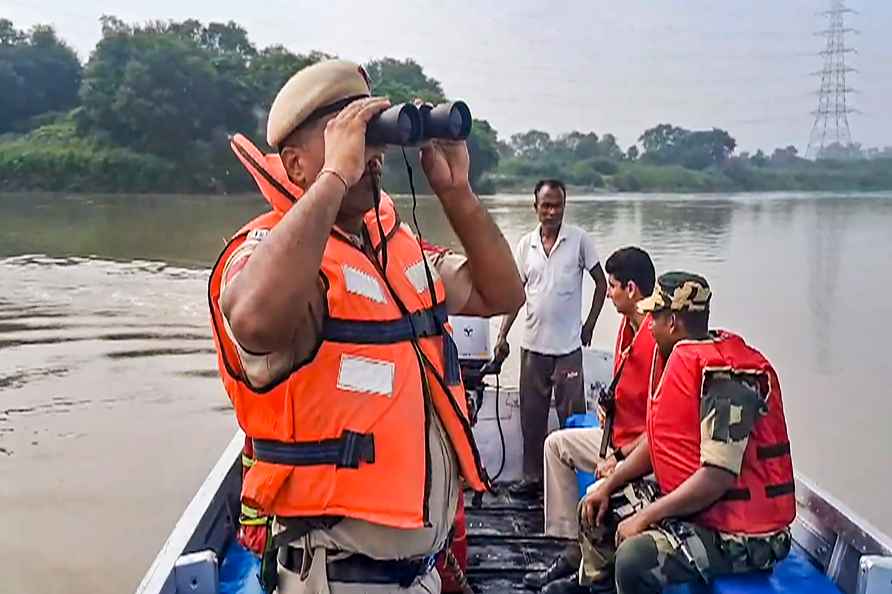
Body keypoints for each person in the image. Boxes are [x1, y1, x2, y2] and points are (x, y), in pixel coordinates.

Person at [208, 59, 525, 594]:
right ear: (295, 163)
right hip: (340, 575)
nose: (369, 156)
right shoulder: (265, 250)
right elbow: (255, 320)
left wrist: (457, 193)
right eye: (347, 135)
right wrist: (336, 176)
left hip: (422, 570)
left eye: (372, 137)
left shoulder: (393, 251)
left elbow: (502, 294)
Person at [568, 272, 795, 594]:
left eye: (654, 318)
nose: (649, 326)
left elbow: (716, 476)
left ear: (672, 322)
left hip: (744, 533)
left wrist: (646, 516)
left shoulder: (726, 382)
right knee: (595, 507)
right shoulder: (684, 362)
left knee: (635, 560)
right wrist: (611, 483)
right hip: (704, 509)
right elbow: (661, 443)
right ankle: (594, 587)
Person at [524, 247, 658, 590]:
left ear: (631, 289)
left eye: (612, 287)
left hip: (638, 451)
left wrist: (620, 457)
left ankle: (591, 566)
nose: (608, 293)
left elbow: (660, 425)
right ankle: (571, 545)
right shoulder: (626, 327)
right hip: (613, 437)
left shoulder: (658, 340)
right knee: (556, 446)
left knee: (599, 488)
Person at [494, 179, 608, 496]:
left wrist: (590, 324)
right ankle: (532, 480)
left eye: (557, 205)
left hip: (568, 348)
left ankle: (574, 484)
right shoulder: (525, 245)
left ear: (564, 207)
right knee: (532, 420)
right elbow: (515, 295)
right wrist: (502, 335)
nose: (552, 211)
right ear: (536, 208)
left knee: (572, 420)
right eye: (546, 205)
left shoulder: (579, 240)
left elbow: (602, 283)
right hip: (532, 347)